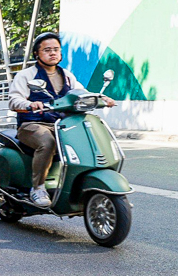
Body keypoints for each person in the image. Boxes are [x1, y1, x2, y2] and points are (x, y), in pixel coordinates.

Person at [9, 32, 115, 208]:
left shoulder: (66, 75)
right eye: (47, 50)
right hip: (33, 124)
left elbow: (81, 94)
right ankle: (38, 188)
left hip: (62, 124)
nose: (52, 53)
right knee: (47, 142)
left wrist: (102, 98)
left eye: (56, 50)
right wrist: (30, 104)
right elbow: (13, 100)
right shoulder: (26, 75)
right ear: (37, 54)